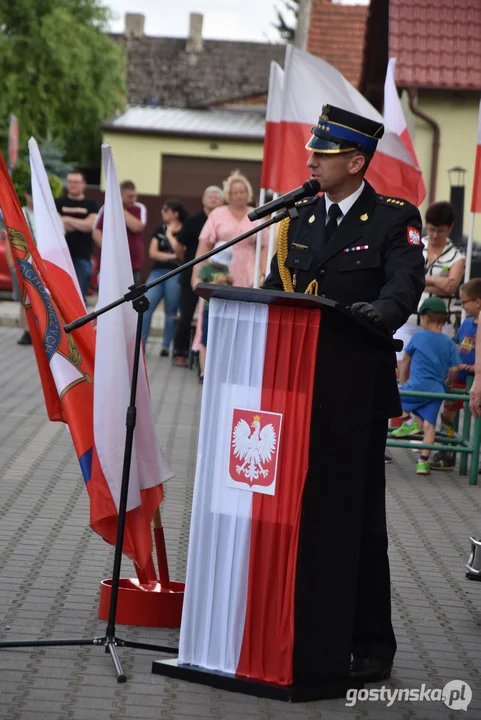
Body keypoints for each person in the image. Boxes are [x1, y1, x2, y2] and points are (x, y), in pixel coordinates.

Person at [262, 104, 425, 682]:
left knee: (356, 521)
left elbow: (404, 287)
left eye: (323, 155)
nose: (310, 160)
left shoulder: (393, 218)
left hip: (354, 391)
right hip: (296, 389)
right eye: (312, 152)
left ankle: (371, 646)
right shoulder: (297, 219)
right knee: (294, 516)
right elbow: (273, 292)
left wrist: (378, 313)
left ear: (356, 162)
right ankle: (297, 625)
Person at [392, 297, 461, 475]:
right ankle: (423, 463)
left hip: (417, 385)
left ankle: (408, 423)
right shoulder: (449, 342)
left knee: (392, 396)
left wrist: (402, 380)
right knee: (430, 426)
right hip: (437, 390)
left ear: (425, 318)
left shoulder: (418, 336)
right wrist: (448, 382)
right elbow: (455, 368)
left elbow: (406, 359)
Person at [394, 201, 465, 353]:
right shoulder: (415, 246)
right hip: (409, 317)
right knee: (399, 365)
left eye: (440, 231)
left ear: (450, 228)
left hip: (439, 323)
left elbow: (450, 287)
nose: (434, 235)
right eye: (431, 229)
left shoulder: (457, 257)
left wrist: (419, 278)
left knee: (433, 366)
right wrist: (438, 281)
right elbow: (403, 278)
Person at [430, 278, 481, 470]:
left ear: (478, 302)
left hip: (476, 382)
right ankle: (446, 450)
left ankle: (476, 455)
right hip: (459, 380)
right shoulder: (466, 324)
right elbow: (458, 348)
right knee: (448, 414)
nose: (463, 306)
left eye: (465, 301)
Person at [172, 186, 223, 367]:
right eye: (210, 196)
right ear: (203, 199)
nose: (213, 199)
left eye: (217, 196)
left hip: (218, 275)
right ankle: (180, 352)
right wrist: (185, 260)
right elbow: (179, 244)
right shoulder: (193, 220)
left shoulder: (223, 220)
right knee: (186, 314)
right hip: (192, 274)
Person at [191, 172, 268, 289]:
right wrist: (197, 275)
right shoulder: (217, 214)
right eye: (235, 192)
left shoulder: (257, 215)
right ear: (228, 194)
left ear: (248, 193)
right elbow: (204, 245)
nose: (239, 195)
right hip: (219, 269)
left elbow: (264, 246)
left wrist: (263, 273)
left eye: (242, 192)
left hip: (249, 269)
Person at [141, 200, 187, 353]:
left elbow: (182, 255)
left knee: (171, 310)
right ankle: (141, 344)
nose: (162, 212)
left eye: (166, 210)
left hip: (176, 272)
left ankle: (166, 346)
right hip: (157, 272)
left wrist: (169, 235)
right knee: (146, 307)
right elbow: (152, 253)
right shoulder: (159, 229)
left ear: (175, 213)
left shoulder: (184, 230)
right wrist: (171, 256)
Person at [92, 180, 147, 285]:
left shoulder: (139, 208)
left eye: (135, 195)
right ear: (120, 195)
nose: (133, 199)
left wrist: (119, 208)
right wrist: (109, 249)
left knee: (132, 297)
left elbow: (137, 227)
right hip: (110, 263)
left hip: (132, 264)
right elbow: (96, 231)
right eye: (130, 196)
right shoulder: (106, 208)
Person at [54, 170, 98, 300]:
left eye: (76, 182)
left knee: (79, 298)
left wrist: (65, 219)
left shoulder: (92, 205)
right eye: (70, 182)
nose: (73, 185)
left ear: (83, 184)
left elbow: (90, 226)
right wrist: (81, 223)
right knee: (59, 298)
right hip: (59, 257)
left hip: (82, 258)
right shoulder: (57, 203)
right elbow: (55, 225)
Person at [4, 183, 36, 345]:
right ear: (26, 195)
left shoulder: (45, 215)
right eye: (30, 194)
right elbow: (10, 240)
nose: (32, 197)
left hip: (42, 263)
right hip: (24, 261)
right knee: (25, 299)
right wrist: (12, 266)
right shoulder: (20, 214)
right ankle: (27, 331)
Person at [196, 243, 233, 382]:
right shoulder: (206, 267)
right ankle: (204, 372)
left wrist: (229, 282)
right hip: (209, 307)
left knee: (220, 340)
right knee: (205, 340)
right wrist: (214, 282)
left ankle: (217, 371)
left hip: (222, 307)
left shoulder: (225, 268)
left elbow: (229, 287)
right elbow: (199, 286)